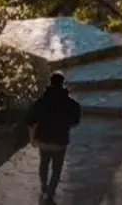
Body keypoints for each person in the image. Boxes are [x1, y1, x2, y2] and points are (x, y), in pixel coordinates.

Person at [25, 72, 82, 204]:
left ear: (50, 82)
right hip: (60, 142)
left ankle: (44, 187)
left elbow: (30, 121)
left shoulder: (40, 102)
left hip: (43, 141)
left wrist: (32, 138)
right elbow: (75, 123)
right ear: (63, 83)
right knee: (57, 169)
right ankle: (50, 193)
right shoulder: (72, 104)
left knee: (43, 164)